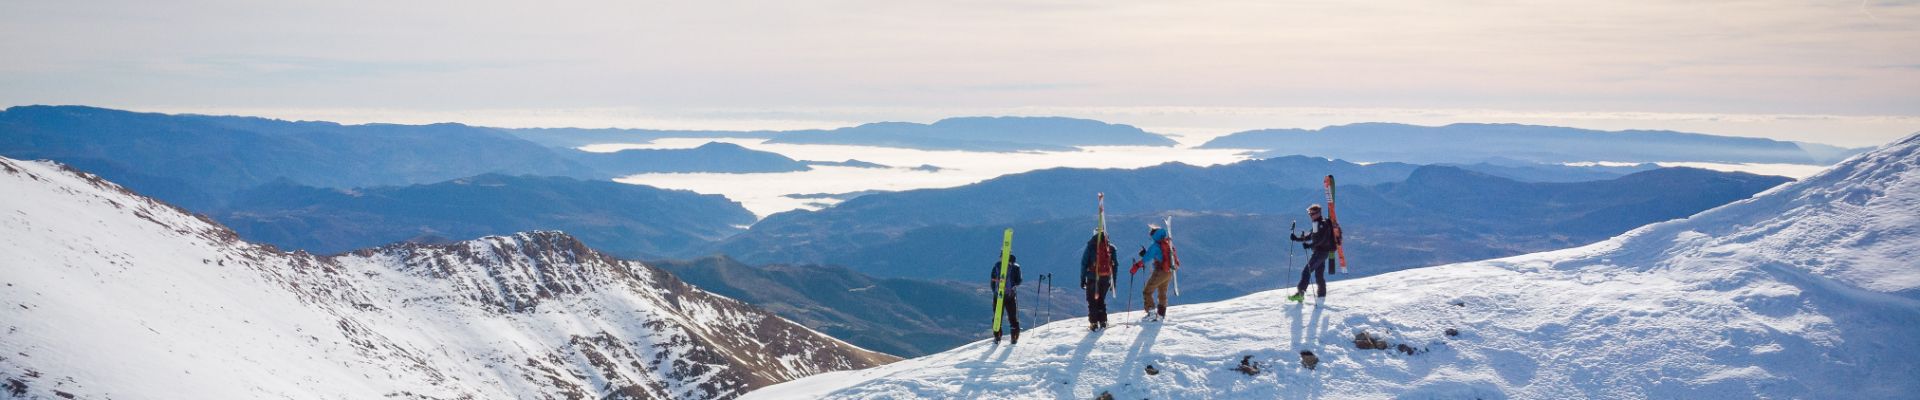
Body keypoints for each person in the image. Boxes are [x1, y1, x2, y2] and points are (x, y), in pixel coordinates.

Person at [1288, 204, 1337, 302]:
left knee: (1306, 271)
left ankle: (1300, 294)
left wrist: (1310, 246)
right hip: (1322, 253)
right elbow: (1311, 236)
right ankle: (1322, 296)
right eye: (1310, 214)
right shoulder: (1317, 223)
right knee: (1319, 275)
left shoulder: (1322, 224)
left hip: (1320, 253)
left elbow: (1322, 239)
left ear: (1318, 213)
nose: (1311, 215)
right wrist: (1297, 238)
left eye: (1313, 213)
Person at [1132, 225, 1179, 320]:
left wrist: (1136, 266)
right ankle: (1161, 313)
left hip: (1160, 271)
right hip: (1169, 271)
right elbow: (1159, 255)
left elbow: (1146, 258)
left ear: (1154, 235)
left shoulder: (1155, 246)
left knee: (1147, 291)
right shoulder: (1167, 242)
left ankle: (1152, 312)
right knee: (1162, 292)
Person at [1080, 231, 1117, 330]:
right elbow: (1115, 265)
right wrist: (1113, 282)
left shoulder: (1091, 247)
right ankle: (1103, 321)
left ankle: (1094, 323)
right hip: (1105, 279)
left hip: (1092, 278)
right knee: (1101, 300)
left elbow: (1084, 263)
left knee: (1092, 301)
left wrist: (1082, 279)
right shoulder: (1111, 248)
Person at [990, 254, 1023, 344]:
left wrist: (995, 292)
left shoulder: (997, 265)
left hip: (998, 296)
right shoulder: (1016, 267)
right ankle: (1014, 337)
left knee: (997, 316)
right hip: (1010, 296)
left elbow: (992, 280)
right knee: (1012, 317)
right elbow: (1018, 281)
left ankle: (997, 336)